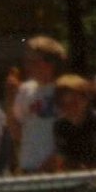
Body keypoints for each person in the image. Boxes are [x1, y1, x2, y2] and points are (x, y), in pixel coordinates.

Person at [10, 36, 67, 174]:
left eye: (33, 61)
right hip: (29, 167)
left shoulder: (65, 90)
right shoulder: (25, 90)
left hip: (57, 170)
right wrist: (10, 98)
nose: (27, 66)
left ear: (51, 63)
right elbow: (17, 133)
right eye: (26, 61)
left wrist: (53, 162)